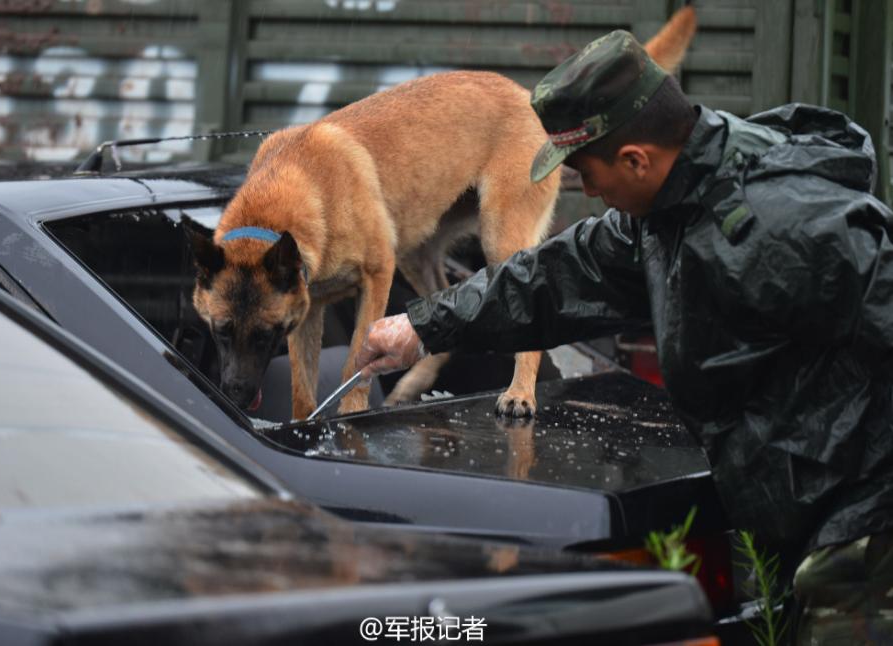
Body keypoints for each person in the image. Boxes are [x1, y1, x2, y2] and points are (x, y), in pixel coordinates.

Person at [354, 29, 893, 644]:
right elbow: (557, 275)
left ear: (636, 160)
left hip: (865, 545)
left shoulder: (790, 224)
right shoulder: (671, 211)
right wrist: (422, 325)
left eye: (587, 172)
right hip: (802, 540)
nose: (586, 191)